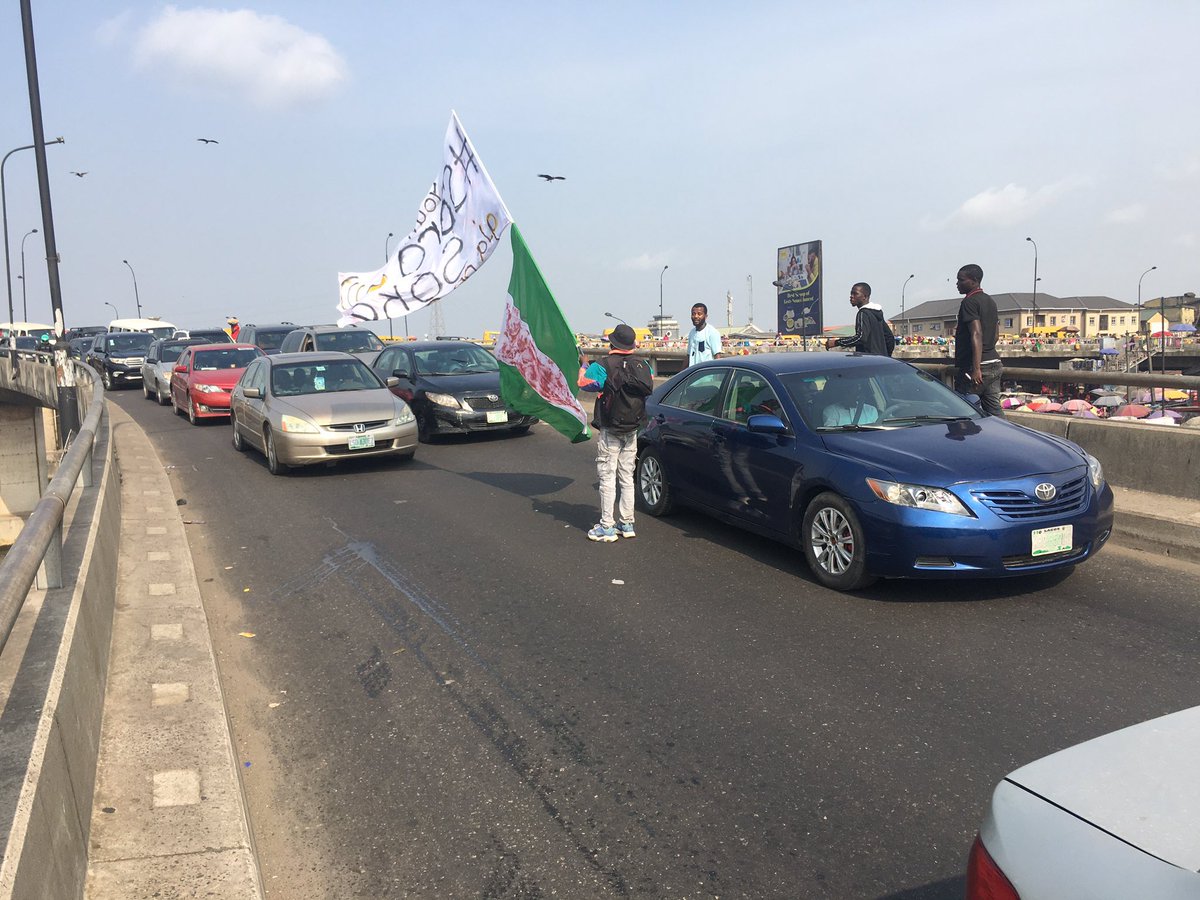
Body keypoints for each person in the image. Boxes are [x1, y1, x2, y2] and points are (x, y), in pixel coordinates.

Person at [577, 324, 654, 542]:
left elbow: (583, 383)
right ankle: (627, 523)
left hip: (611, 428)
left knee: (607, 476)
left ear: (612, 343)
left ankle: (607, 527)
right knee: (627, 477)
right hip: (632, 427)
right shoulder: (644, 365)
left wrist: (583, 365)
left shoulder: (603, 365)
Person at [953, 264, 1004, 417]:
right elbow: (995, 333)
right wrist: (988, 350)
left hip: (977, 366)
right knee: (994, 410)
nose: (957, 284)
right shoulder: (990, 301)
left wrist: (976, 368)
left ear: (974, 280)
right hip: (994, 362)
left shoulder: (969, 302)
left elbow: (976, 333)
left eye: (961, 280)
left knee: (960, 406)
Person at [825, 283, 895, 355]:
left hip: (867, 359)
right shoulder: (877, 313)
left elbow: (860, 338)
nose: (851, 296)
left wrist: (836, 342)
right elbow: (889, 338)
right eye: (851, 294)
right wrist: (886, 356)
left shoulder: (863, 313)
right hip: (881, 360)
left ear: (864, 296)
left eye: (855, 294)